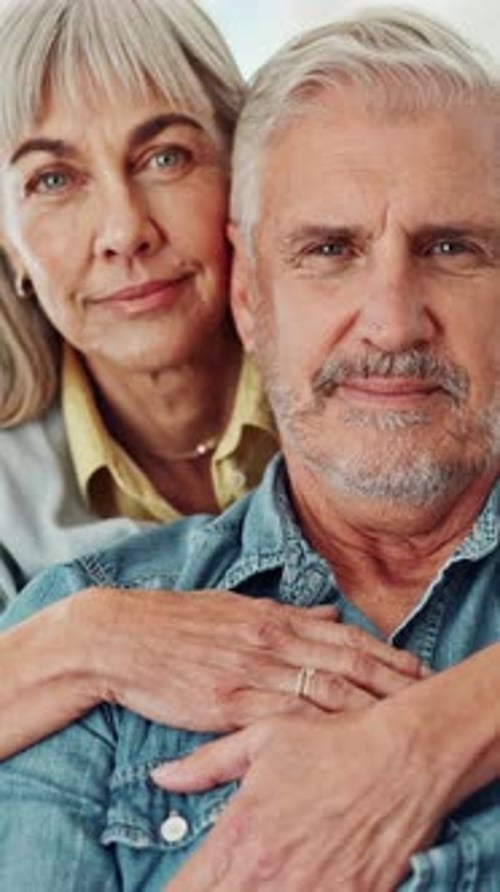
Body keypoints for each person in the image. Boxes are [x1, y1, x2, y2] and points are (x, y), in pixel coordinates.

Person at [2, 5, 498, 890]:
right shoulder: (71, 584)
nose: (123, 231)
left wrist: (420, 742)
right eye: (329, 248)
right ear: (253, 286)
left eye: (165, 156)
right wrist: (78, 639)